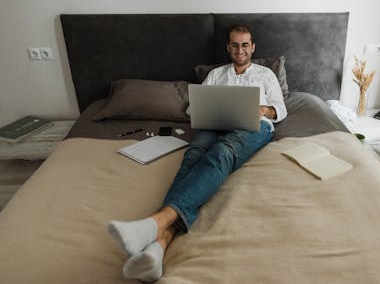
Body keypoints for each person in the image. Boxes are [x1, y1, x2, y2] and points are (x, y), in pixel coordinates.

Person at [107, 25, 287, 282]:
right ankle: (158, 247)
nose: (240, 50)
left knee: (223, 152)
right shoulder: (216, 74)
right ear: (228, 47)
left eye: (245, 45)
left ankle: (155, 222)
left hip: (253, 124)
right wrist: (206, 109)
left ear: (253, 47)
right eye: (235, 45)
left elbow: (281, 108)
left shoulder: (266, 74)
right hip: (215, 122)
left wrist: (263, 110)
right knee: (192, 157)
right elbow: (194, 108)